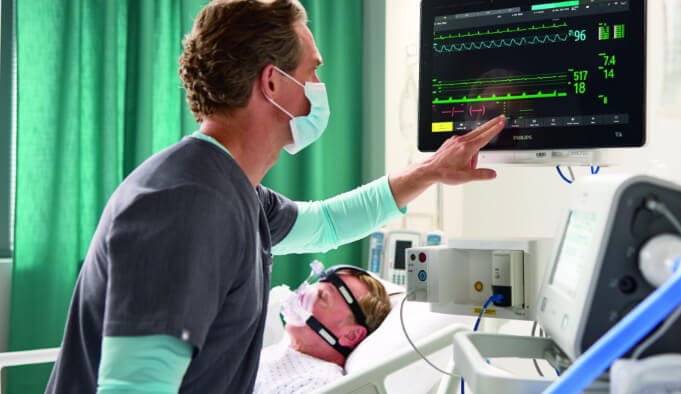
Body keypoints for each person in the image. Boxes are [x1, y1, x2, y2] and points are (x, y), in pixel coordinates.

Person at [45, 0, 505, 393]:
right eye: (313, 71)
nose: (320, 88)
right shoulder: (185, 203)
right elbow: (135, 386)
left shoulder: (231, 189)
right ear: (272, 83)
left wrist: (430, 170)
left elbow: (327, 223)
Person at [254, 265, 392, 393]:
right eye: (314, 286)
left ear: (351, 335)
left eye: (322, 296)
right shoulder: (284, 349)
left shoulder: (320, 383)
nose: (302, 294)